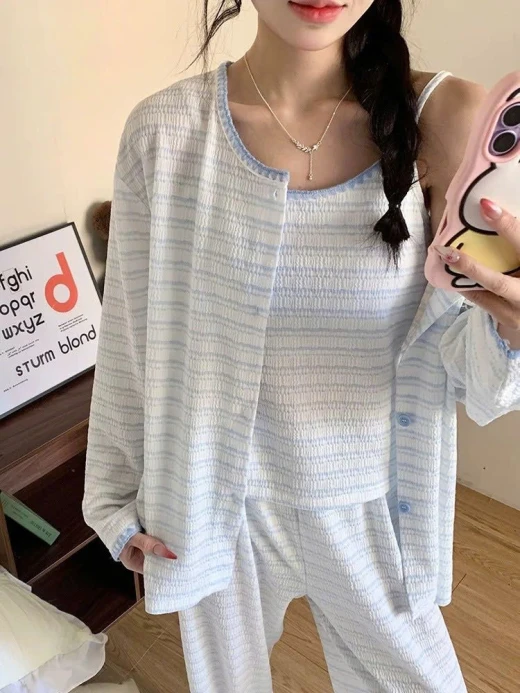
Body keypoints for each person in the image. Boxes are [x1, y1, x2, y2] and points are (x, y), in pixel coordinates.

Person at [83, 1, 520, 691]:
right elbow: (132, 337)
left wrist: (511, 326)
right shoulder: (163, 133)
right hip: (214, 501)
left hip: (373, 503)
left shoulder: (445, 116)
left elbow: (464, 365)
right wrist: (113, 500)